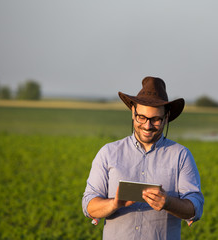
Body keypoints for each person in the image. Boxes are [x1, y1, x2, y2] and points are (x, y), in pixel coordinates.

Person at [82, 76, 204, 240]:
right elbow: (89, 206)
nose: (147, 125)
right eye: (142, 117)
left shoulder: (180, 155)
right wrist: (114, 203)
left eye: (155, 119)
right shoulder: (108, 153)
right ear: (133, 112)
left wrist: (167, 202)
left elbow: (195, 208)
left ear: (166, 118)